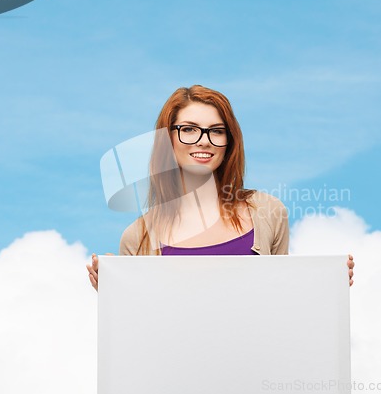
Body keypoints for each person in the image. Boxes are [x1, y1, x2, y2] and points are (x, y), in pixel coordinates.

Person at [87, 85, 355, 290]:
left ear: (229, 142)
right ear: (167, 139)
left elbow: (280, 303)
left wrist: (325, 284)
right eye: (189, 129)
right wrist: (115, 291)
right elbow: (139, 328)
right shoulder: (138, 237)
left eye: (216, 131)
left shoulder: (267, 211)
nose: (204, 141)